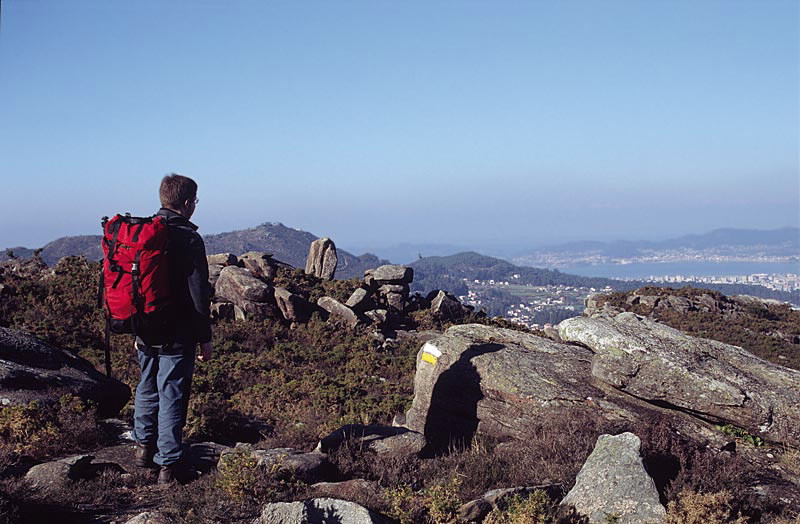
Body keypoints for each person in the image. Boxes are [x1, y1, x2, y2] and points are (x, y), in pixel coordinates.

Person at [133, 173, 214, 484]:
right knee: (172, 393)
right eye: (195, 201)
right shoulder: (189, 238)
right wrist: (204, 337)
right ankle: (168, 466)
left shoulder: (144, 231)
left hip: (145, 326)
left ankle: (143, 449)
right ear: (188, 203)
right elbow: (198, 293)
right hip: (178, 331)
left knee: (147, 385)